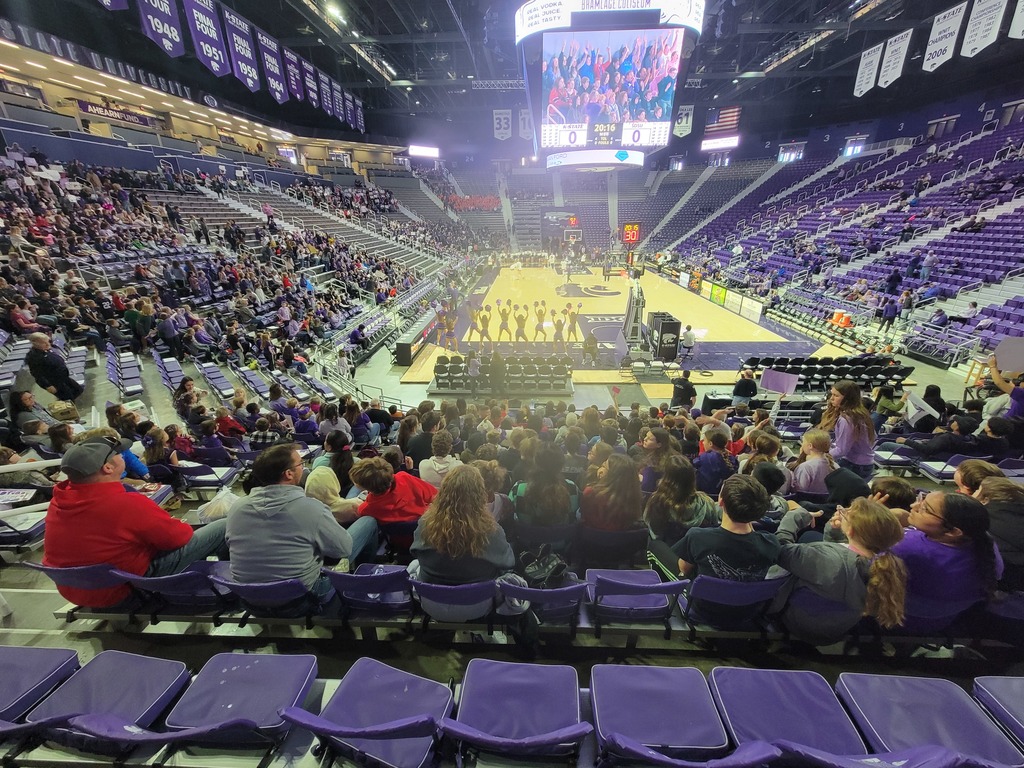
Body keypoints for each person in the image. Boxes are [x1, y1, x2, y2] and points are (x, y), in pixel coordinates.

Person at [42, 436, 227, 607]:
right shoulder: (125, 503)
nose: (123, 454)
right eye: (118, 453)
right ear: (108, 467)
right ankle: (232, 584)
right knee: (224, 526)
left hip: (79, 591)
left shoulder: (58, 501)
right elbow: (179, 538)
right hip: (123, 590)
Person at [226, 445, 378, 612]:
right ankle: (365, 580)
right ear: (288, 474)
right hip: (301, 600)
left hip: (249, 600)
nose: (304, 468)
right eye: (300, 464)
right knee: (368, 522)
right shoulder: (313, 508)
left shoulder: (237, 508)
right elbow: (343, 549)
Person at [769, 498, 907, 645]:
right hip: (834, 630)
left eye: (846, 513)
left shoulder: (824, 558)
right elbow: (838, 570)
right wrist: (834, 534)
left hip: (796, 624)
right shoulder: (886, 568)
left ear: (851, 531)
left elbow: (778, 550)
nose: (842, 512)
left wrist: (795, 516)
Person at [672, 475, 781, 624]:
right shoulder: (771, 543)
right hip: (748, 611)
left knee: (657, 547)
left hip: (703, 611)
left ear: (721, 501)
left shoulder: (698, 537)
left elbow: (684, 569)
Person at [890, 491, 1002, 631]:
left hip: (901, 619)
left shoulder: (906, 550)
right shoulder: (985, 545)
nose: (914, 505)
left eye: (925, 509)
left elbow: (866, 571)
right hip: (946, 618)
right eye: (921, 499)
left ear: (953, 532)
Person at [409, 464, 515, 586]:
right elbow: (509, 562)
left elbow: (415, 551)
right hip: (479, 596)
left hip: (431, 595)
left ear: (444, 492)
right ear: (481, 496)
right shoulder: (493, 531)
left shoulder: (425, 523)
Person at [645, 454, 721, 543]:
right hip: (698, 549)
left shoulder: (657, 503)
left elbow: (654, 535)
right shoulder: (706, 502)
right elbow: (713, 531)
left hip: (669, 550)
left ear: (666, 478)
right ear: (692, 478)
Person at [349, 456, 438, 525]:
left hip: (399, 539)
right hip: (427, 526)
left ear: (364, 487)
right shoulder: (404, 477)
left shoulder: (365, 509)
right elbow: (435, 495)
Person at [974, 476, 1024, 591]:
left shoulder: (980, 520)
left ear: (985, 500)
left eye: (977, 490)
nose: (974, 492)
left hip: (1003, 585)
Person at [818, 380, 875, 480]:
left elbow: (841, 450)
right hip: (866, 463)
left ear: (847, 398)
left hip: (854, 465)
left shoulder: (846, 419)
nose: (831, 398)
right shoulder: (862, 413)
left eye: (836, 395)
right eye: (832, 394)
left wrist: (819, 457)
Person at [579, 453, 644, 532]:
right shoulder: (634, 498)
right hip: (624, 539)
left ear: (612, 475)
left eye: (603, 466)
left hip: (591, 538)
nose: (599, 468)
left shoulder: (590, 493)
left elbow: (584, 517)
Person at [25, 333, 83, 402]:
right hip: (54, 382)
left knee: (78, 390)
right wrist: (48, 385)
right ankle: (67, 406)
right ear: (35, 344)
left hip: (63, 377)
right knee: (68, 398)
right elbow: (37, 374)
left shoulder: (46, 349)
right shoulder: (34, 357)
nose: (47, 344)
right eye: (44, 343)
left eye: (48, 341)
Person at [789, 430, 837, 496]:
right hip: (829, 501)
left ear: (810, 446)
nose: (802, 444)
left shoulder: (805, 467)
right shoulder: (835, 465)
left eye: (803, 442)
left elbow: (799, 492)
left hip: (808, 501)